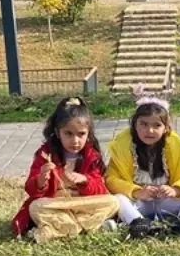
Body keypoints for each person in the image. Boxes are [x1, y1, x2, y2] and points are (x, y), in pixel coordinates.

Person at [106, 96, 180, 234]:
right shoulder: (123, 147)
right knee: (118, 199)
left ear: (166, 128)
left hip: (166, 200)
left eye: (157, 125)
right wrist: (137, 192)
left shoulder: (174, 146)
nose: (150, 130)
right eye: (144, 124)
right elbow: (111, 179)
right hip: (139, 203)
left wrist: (176, 190)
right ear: (134, 125)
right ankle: (138, 223)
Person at [12, 97, 120, 241]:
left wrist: (85, 181)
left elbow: (101, 189)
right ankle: (88, 227)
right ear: (58, 133)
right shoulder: (45, 155)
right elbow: (31, 190)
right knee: (36, 207)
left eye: (81, 134)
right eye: (68, 134)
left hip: (83, 204)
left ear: (88, 133)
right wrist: (41, 180)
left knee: (113, 202)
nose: (75, 141)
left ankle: (60, 229)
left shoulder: (91, 156)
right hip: (57, 205)